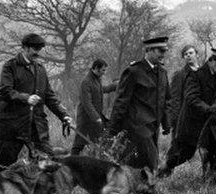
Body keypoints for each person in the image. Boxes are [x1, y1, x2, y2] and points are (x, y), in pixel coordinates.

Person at [157, 48, 216, 178]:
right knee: (185, 154)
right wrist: (209, 108)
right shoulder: (196, 75)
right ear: (212, 61)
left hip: (211, 124)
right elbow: (191, 98)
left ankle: (214, 182)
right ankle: (163, 168)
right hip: (192, 123)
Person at [0, 33, 72, 171]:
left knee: (47, 163)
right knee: (5, 166)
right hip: (12, 126)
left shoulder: (41, 69)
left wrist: (64, 115)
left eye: (39, 49)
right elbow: (4, 91)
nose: (37, 53)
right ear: (25, 48)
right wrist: (26, 98)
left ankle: (40, 191)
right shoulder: (10, 67)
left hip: (37, 126)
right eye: (35, 49)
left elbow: (49, 96)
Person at [107, 36, 171, 171]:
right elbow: (121, 102)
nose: (163, 55)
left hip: (154, 127)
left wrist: (166, 123)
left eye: (165, 51)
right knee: (152, 161)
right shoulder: (133, 71)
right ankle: (150, 189)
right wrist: (112, 129)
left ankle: (131, 189)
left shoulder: (163, 73)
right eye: (160, 51)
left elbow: (164, 100)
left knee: (137, 164)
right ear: (149, 50)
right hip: (136, 126)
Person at [71, 59, 117, 155]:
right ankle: (70, 162)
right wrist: (96, 117)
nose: (104, 73)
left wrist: (113, 86)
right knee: (79, 143)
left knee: (98, 141)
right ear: (96, 68)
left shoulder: (96, 79)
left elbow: (100, 90)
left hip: (93, 118)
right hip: (85, 119)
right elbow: (87, 103)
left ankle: (93, 160)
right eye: (103, 70)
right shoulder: (86, 82)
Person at [167, 45, 200, 137]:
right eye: (185, 54)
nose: (188, 55)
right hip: (184, 120)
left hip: (201, 119)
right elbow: (174, 99)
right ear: (184, 58)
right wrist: (176, 121)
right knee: (179, 149)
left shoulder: (205, 74)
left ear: (197, 55)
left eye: (191, 53)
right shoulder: (180, 75)